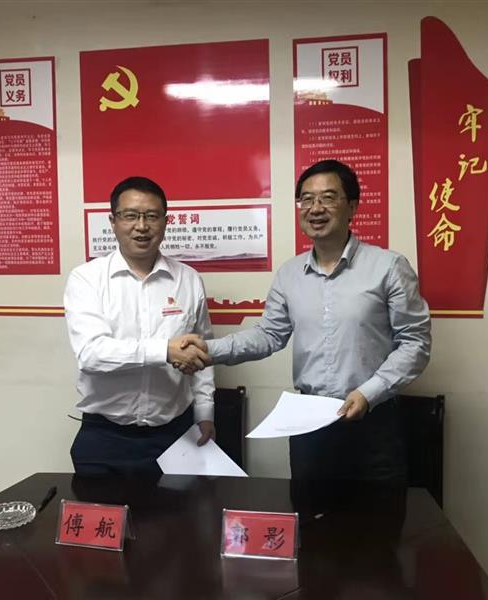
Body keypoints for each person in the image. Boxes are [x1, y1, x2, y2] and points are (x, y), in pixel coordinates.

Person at [180, 159, 431, 483]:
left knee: (380, 513)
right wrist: (207, 350)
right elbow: (268, 335)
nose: (316, 208)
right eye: (307, 199)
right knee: (307, 511)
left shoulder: (389, 267)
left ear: (352, 206)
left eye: (328, 197)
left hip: (373, 420)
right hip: (308, 423)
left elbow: (415, 343)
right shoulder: (290, 274)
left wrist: (369, 393)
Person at [64, 176, 214, 476]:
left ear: (166, 222)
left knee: (178, 509)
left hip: (174, 433)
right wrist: (164, 351)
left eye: (152, 216)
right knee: (100, 509)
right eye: (130, 216)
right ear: (113, 221)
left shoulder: (188, 279)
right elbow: (91, 354)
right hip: (105, 436)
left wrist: (205, 411)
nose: (141, 226)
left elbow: (202, 351)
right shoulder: (86, 279)